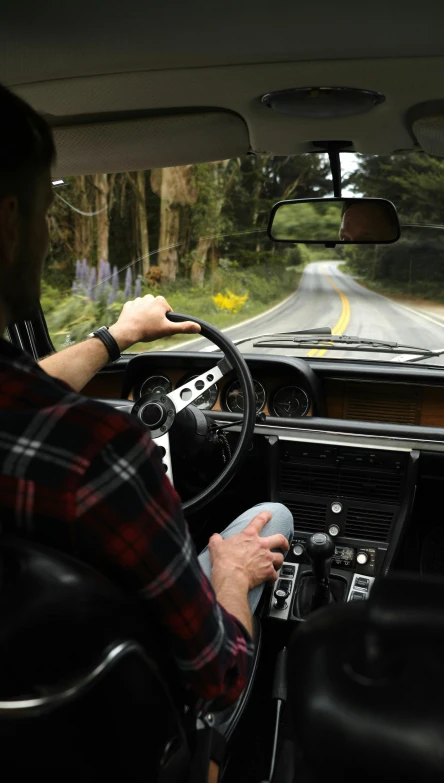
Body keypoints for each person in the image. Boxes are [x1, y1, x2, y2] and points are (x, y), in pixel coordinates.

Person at [0, 83, 293, 712]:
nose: (51, 237)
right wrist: (231, 579)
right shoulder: (98, 458)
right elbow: (217, 676)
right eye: (45, 215)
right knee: (269, 524)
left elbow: (22, 403)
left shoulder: (35, 435)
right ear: (8, 227)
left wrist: (117, 336)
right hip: (130, 741)